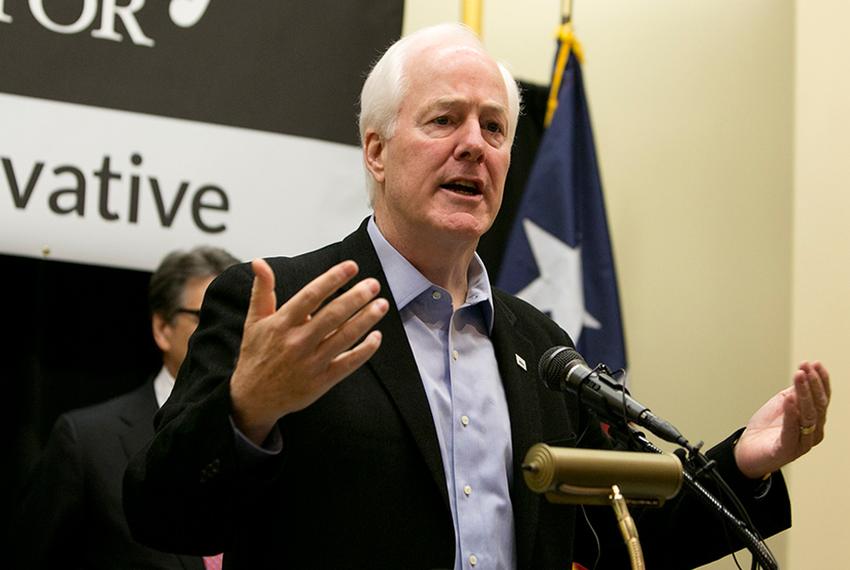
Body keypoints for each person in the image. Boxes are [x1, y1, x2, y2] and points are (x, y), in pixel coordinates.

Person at [123, 24, 831, 569]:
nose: (475, 146)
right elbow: (162, 516)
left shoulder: (541, 344)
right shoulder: (282, 307)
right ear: (376, 150)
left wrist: (746, 463)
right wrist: (250, 410)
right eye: (444, 121)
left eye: (494, 127)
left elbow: (621, 529)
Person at [13, 246, 239, 570]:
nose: (233, 335)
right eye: (212, 318)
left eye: (242, 320)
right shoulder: (87, 442)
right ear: (163, 328)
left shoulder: (278, 436)